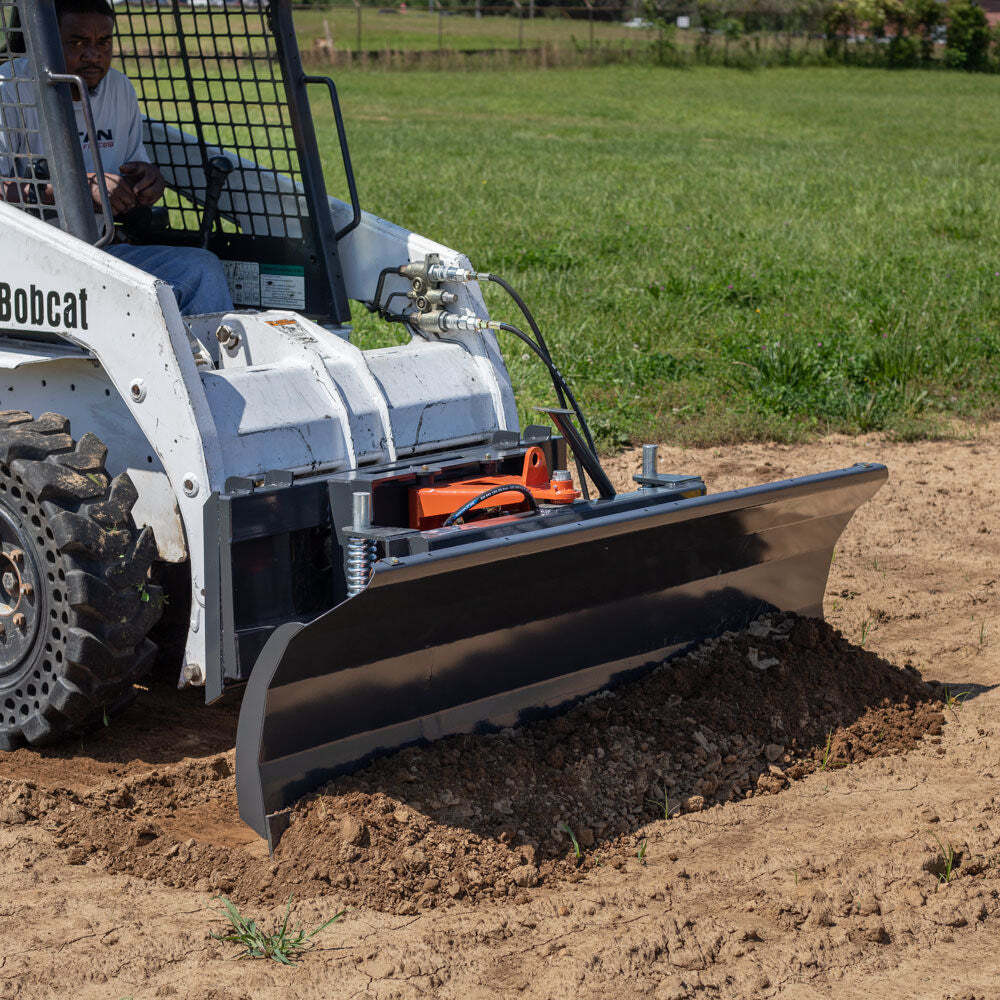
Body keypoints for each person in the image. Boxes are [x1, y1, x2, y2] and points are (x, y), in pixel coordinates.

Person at [0, 0, 234, 317]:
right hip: (25, 266)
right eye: (77, 43)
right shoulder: (8, 89)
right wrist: (76, 192)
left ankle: (206, 364)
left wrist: (146, 184)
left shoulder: (119, 88)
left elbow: (131, 164)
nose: (93, 55)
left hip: (99, 252)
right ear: (43, 42)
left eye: (103, 42)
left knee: (201, 269)